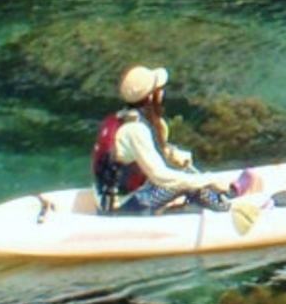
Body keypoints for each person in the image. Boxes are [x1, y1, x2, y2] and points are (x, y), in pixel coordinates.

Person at [92, 65, 245, 212]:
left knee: (184, 173)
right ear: (151, 96)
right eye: (159, 90)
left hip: (107, 198)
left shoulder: (120, 119)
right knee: (187, 182)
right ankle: (228, 209)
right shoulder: (136, 130)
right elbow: (160, 177)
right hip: (122, 206)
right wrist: (208, 180)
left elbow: (140, 154)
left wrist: (171, 153)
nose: (163, 93)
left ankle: (219, 199)